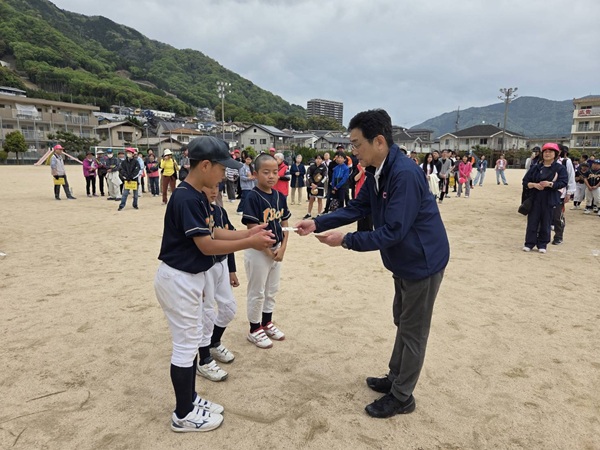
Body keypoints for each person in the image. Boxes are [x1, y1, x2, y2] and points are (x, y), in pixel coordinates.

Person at [296, 109, 449, 419]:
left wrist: (346, 240)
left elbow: (394, 230)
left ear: (379, 141)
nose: (353, 150)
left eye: (356, 144)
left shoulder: (404, 174)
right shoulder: (377, 169)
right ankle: (395, 377)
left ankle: (402, 396)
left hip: (422, 262)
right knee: (402, 321)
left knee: (414, 330)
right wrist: (318, 222)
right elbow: (358, 206)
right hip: (403, 261)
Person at [154, 136, 275, 432]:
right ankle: (183, 414)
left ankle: (190, 399)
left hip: (189, 277)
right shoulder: (185, 197)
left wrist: (249, 233)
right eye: (222, 168)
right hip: (179, 279)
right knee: (186, 346)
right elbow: (207, 245)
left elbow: (216, 232)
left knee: (193, 337)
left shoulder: (197, 195)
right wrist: (250, 242)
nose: (224, 175)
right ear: (206, 165)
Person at [242, 153, 291, 349]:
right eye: (266, 172)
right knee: (257, 291)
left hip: (276, 249)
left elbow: (285, 224)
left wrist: (283, 248)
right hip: (258, 251)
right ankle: (254, 329)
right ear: (255, 174)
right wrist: (269, 252)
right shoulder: (252, 197)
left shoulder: (279, 196)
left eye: (274, 172)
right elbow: (252, 229)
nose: (271, 176)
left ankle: (266, 322)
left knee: (272, 290)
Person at [197, 184, 240, 382]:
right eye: (209, 187)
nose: (214, 191)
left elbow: (228, 242)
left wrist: (231, 270)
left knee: (229, 308)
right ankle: (203, 358)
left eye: (217, 187)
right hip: (204, 267)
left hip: (221, 265)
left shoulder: (220, 212)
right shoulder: (195, 211)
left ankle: (214, 342)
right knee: (206, 313)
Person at [521, 143, 568, 253]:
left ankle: (542, 244)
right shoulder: (536, 167)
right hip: (535, 198)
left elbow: (563, 182)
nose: (547, 154)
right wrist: (534, 185)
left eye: (550, 152)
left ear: (556, 154)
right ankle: (529, 243)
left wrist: (550, 184)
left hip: (550, 198)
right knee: (532, 221)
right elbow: (525, 181)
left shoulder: (560, 168)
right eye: (545, 152)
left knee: (546, 222)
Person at [551, 146, 576, 245]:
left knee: (557, 216)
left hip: (560, 193)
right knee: (543, 215)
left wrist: (569, 193)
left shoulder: (566, 162)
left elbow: (571, 177)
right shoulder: (544, 161)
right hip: (546, 193)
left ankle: (558, 236)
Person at [304, 154, 327, 219]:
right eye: (317, 158)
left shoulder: (324, 167)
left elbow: (325, 177)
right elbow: (308, 175)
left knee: (320, 200)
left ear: (322, 160)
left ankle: (319, 214)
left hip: (320, 186)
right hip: (312, 186)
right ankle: (309, 213)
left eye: (320, 159)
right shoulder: (311, 167)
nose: (318, 160)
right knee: (311, 199)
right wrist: (312, 183)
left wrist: (318, 185)